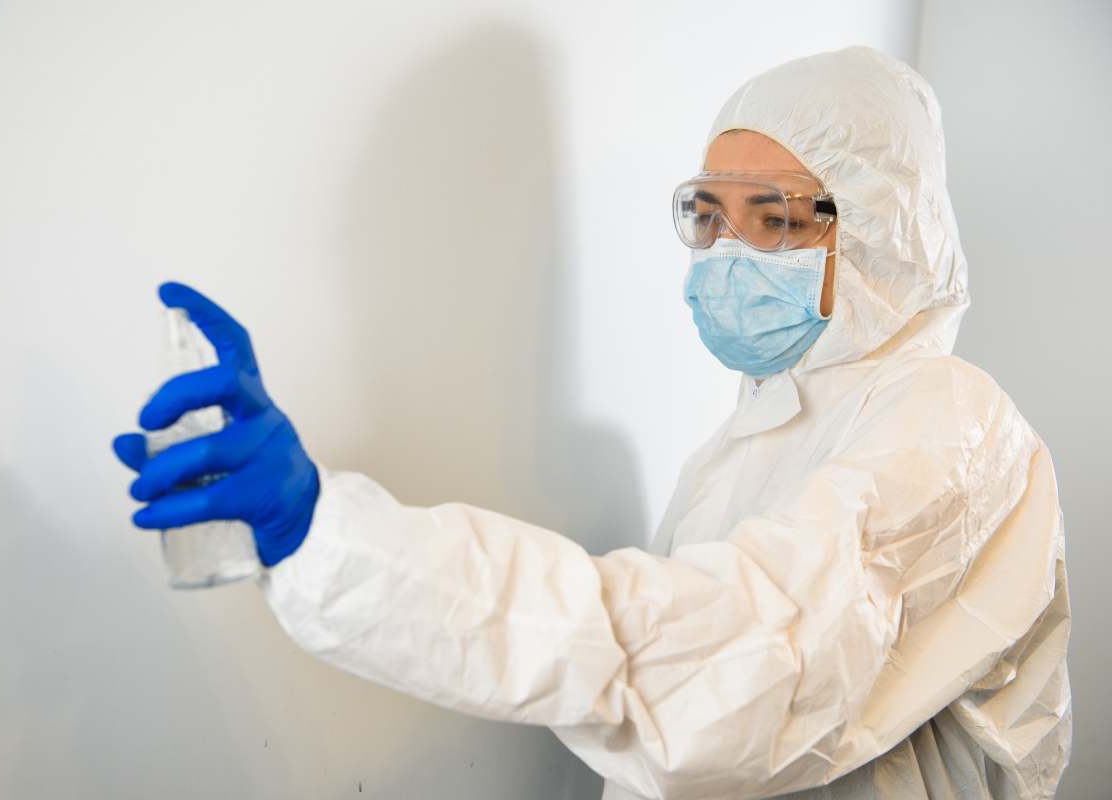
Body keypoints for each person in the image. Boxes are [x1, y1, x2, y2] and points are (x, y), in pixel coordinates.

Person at [112, 46, 1072, 799]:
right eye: (710, 214)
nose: (728, 253)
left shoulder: (953, 427)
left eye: (776, 220)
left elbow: (735, 668)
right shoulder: (749, 439)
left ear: (882, 230)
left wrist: (334, 534)